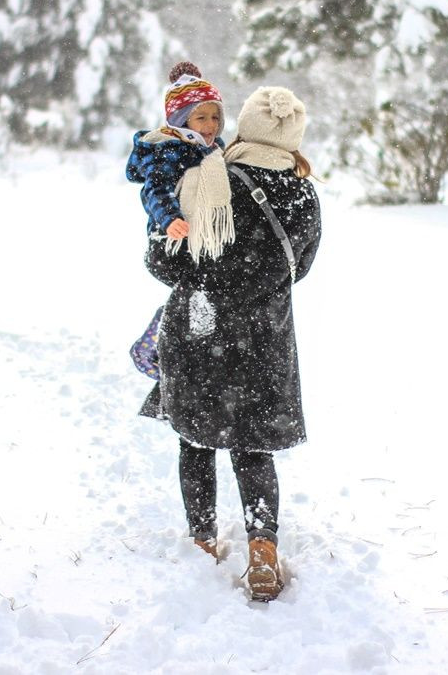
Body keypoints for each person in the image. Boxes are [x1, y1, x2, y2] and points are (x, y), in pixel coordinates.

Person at [139, 85, 322, 603]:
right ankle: (262, 546)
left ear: (244, 125)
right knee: (252, 447)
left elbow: (162, 262)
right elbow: (298, 268)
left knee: (196, 441)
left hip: (201, 331)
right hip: (266, 338)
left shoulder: (207, 180)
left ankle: (202, 539)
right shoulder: (304, 193)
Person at [125, 62, 229, 380]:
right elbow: (153, 191)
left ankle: (195, 350)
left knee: (208, 289)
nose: (210, 125)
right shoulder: (169, 151)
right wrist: (169, 219)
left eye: (215, 117)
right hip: (169, 239)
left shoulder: (212, 150)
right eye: (201, 117)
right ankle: (154, 344)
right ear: (182, 120)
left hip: (197, 238)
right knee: (196, 288)